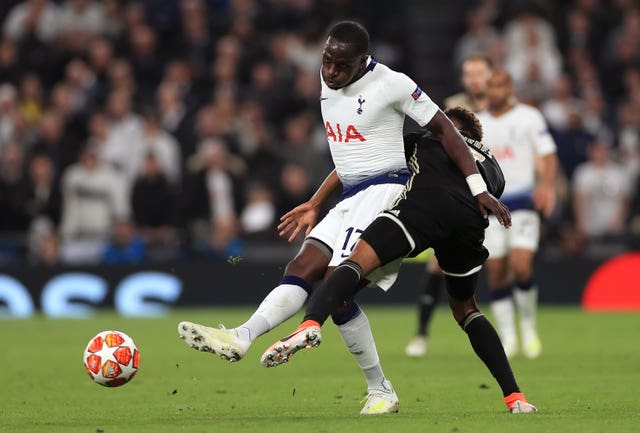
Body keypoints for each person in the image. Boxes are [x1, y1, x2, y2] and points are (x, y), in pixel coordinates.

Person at [177, 20, 495, 415]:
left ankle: (380, 389)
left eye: (341, 66)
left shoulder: (393, 83)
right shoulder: (327, 77)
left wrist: (478, 188)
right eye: (327, 62)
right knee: (301, 265)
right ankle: (243, 335)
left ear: (363, 61)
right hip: (349, 194)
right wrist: (315, 202)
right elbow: (349, 155)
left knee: (336, 281)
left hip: (386, 192)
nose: (330, 72)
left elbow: (445, 129)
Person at [262, 107, 537, 414]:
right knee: (467, 310)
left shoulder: (425, 139)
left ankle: (310, 323)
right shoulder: (494, 164)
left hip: (424, 205)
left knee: (353, 264)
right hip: (468, 224)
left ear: (449, 127)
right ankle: (516, 398)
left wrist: (316, 201)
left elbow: (358, 163)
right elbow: (488, 191)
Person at [406, 54, 492, 357]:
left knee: (504, 269)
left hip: (489, 195)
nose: (474, 79)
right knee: (437, 264)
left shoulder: (505, 108)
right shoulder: (454, 107)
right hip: (459, 197)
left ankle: (513, 333)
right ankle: (421, 333)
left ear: (490, 76)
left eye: (479, 73)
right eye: (469, 73)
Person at [477, 70, 558, 359]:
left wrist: (547, 185)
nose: (496, 91)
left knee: (522, 266)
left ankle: (529, 327)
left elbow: (548, 155)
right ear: (486, 90)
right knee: (496, 270)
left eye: (500, 86)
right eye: (491, 86)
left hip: (523, 200)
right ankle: (509, 337)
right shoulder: (480, 124)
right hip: (491, 204)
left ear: (509, 87)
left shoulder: (530, 117)